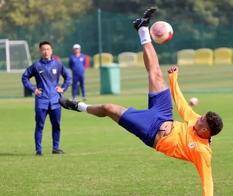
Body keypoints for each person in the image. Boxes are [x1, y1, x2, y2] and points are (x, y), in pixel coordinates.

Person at [59, 8, 223, 195]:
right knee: (155, 73)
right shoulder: (196, 121)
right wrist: (173, 80)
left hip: (152, 132)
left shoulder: (202, 152)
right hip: (163, 115)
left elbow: (207, 181)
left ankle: (77, 106)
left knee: (109, 108)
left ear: (205, 131)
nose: (198, 119)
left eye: (201, 121)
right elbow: (182, 106)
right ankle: (142, 28)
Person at [22, 41, 71, 156]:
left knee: (57, 125)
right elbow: (24, 77)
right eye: (43, 49)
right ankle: (38, 150)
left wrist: (63, 88)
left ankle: (56, 148)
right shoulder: (36, 66)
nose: (46, 51)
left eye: (48, 49)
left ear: (51, 50)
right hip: (41, 101)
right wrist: (33, 89)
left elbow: (68, 77)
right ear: (40, 51)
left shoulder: (58, 64)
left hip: (56, 101)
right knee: (39, 125)